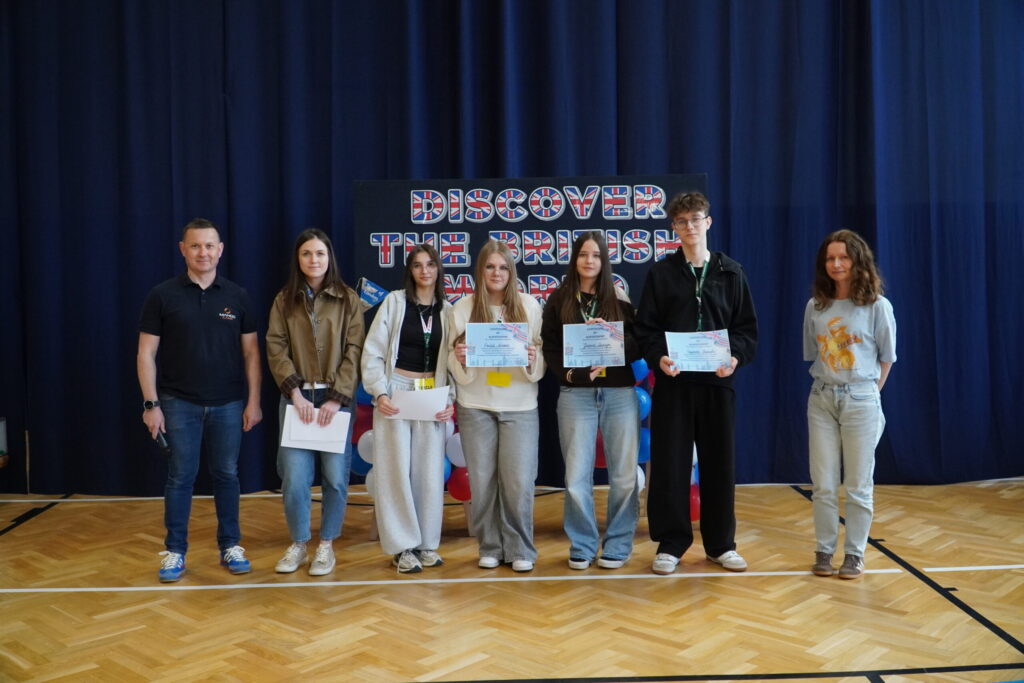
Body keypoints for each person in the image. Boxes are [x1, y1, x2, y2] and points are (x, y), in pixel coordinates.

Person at [635, 192, 758, 575]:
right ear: (673, 227)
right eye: (681, 221)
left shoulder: (731, 272)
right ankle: (671, 544)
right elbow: (646, 330)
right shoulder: (661, 274)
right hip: (674, 383)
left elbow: (746, 331)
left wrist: (735, 358)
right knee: (670, 465)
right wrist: (659, 358)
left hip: (718, 384)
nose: (689, 226)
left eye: (695, 219)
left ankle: (721, 545)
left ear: (708, 222)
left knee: (719, 463)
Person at [137, 218, 263, 582]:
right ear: (183, 249)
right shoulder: (162, 295)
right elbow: (145, 353)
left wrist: (253, 401)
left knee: (227, 474)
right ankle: (175, 552)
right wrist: (151, 404)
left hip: (228, 403)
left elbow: (252, 354)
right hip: (178, 402)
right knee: (180, 477)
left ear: (220, 250)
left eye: (209, 246)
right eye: (195, 246)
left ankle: (230, 545)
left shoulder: (237, 296)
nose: (203, 252)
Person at [265, 228, 364, 576]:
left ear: (329, 258)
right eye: (306, 253)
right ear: (298, 259)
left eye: (320, 253)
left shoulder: (348, 299)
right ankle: (299, 543)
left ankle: (326, 546)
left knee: (335, 478)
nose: (313, 260)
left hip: (335, 401)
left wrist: (337, 398)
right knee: (294, 478)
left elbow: (355, 350)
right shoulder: (284, 300)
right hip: (297, 400)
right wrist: (294, 392)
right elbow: (276, 346)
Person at [541, 232, 641, 570]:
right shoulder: (559, 299)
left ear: (604, 261)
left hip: (619, 392)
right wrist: (573, 375)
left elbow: (639, 344)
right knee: (575, 476)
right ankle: (583, 545)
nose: (589, 261)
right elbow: (550, 348)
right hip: (576, 394)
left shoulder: (618, 296)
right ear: (575, 259)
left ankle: (618, 543)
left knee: (624, 475)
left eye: (596, 255)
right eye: (583, 255)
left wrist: (613, 335)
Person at [448, 239, 545, 572]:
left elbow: (540, 359)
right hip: (475, 404)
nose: (496, 273)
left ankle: (520, 549)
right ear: (480, 270)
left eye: (503, 267)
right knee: (482, 480)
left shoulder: (529, 306)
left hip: (520, 405)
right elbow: (452, 362)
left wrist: (532, 358)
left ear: (511, 271)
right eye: (490, 266)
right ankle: (489, 546)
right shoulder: (462, 308)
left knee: (519, 481)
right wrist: (460, 358)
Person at [804, 229, 896, 580]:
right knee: (823, 484)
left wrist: (869, 394)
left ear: (858, 261)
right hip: (822, 399)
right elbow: (813, 353)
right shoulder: (815, 306)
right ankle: (824, 550)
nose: (837, 264)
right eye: (831, 258)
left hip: (861, 399)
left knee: (858, 484)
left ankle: (855, 554)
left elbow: (887, 358)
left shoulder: (877, 306)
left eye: (844, 257)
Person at [361, 244, 455, 573]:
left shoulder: (448, 311)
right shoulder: (395, 302)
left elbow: (455, 360)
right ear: (410, 271)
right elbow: (372, 351)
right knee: (395, 471)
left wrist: (450, 399)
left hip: (432, 393)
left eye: (430, 264)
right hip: (396, 393)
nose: (424, 271)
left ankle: (426, 544)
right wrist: (380, 393)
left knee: (429, 474)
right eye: (417, 265)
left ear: (438, 269)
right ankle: (402, 548)